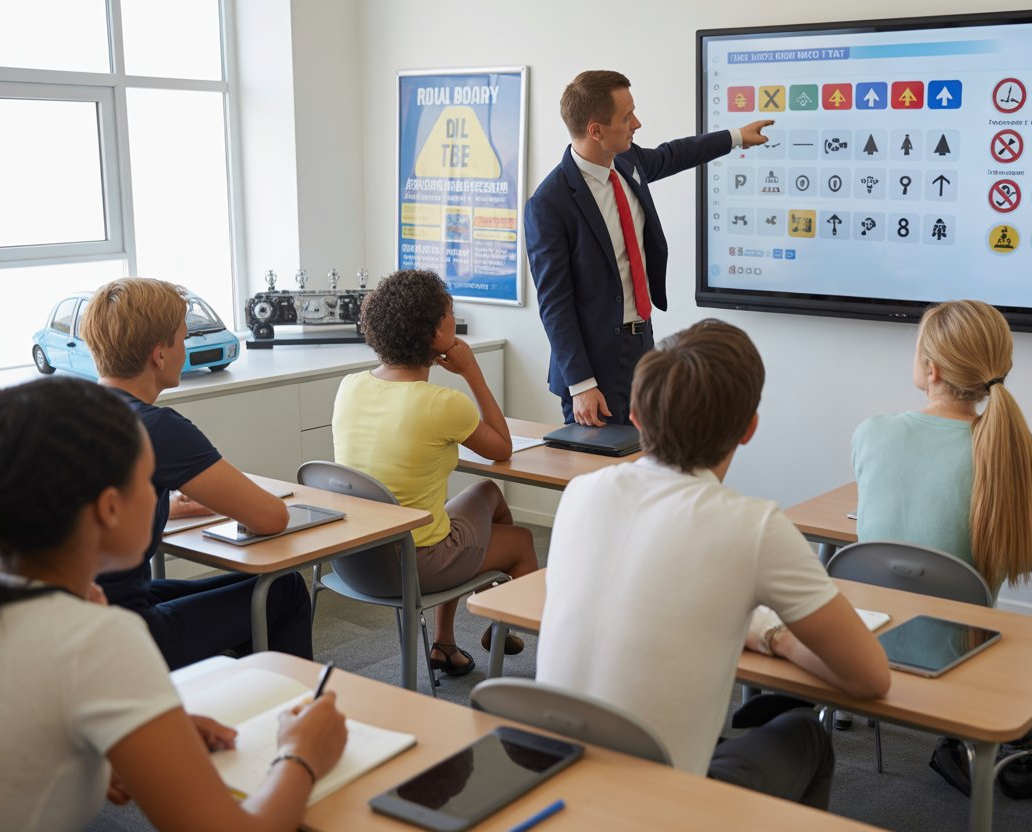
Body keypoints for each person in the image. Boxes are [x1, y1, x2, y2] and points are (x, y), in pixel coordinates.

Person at [0, 377, 347, 831]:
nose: (163, 496)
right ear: (109, 508)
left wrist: (134, 734)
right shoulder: (98, 638)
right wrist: (301, 753)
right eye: (152, 483)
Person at [536, 319, 890, 807]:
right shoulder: (754, 526)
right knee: (804, 733)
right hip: (660, 810)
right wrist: (772, 635)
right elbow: (870, 679)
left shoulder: (581, 493)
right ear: (749, 430)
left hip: (553, 790)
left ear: (635, 414)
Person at [82, 277, 312, 669]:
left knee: (254, 589)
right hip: (121, 633)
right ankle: (287, 714)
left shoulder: (72, 409)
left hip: (75, 620)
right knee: (283, 590)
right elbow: (271, 518)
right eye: (182, 339)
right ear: (159, 354)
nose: (185, 349)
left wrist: (171, 508)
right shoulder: (156, 428)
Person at [525, 70, 774, 426]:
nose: (636, 123)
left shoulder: (628, 163)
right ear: (596, 130)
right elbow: (554, 304)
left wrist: (735, 137)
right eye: (626, 118)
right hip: (594, 367)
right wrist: (581, 384)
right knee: (600, 475)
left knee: (648, 459)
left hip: (643, 344)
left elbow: (674, 154)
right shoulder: (549, 203)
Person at [332, 269, 539, 677]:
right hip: (412, 563)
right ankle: (504, 629)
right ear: (432, 334)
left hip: (351, 558)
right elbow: (502, 447)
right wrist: (471, 372)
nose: (454, 319)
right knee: (521, 541)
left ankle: (445, 644)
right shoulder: (442, 403)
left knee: (488, 494)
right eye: (449, 314)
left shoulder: (350, 385)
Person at [852, 299, 1032, 594]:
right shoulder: (1017, 450)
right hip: (969, 640)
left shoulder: (870, 433)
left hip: (868, 633)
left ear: (931, 369)